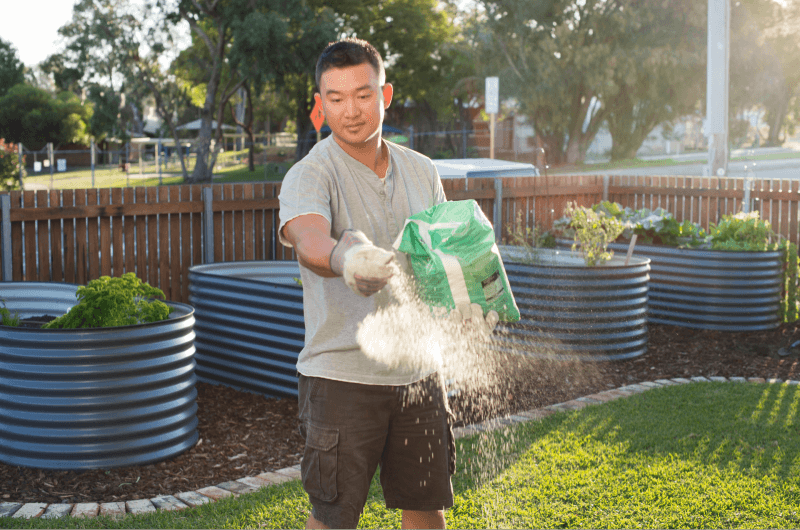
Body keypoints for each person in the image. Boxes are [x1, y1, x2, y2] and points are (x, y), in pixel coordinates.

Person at [278, 38, 497, 530]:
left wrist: (469, 296)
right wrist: (347, 256)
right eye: (335, 98)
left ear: (386, 93)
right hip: (341, 378)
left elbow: (442, 253)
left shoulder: (422, 170)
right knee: (334, 518)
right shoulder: (310, 173)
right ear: (320, 104)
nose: (350, 110)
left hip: (419, 373)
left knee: (425, 507)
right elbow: (308, 238)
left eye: (362, 94)